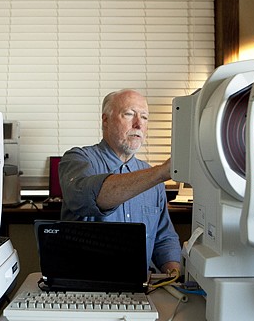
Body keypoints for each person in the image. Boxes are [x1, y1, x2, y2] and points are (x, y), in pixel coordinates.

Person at [58, 89, 181, 274]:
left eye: (145, 117)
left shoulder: (152, 176)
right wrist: (161, 172)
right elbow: (88, 198)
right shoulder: (77, 159)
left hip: (141, 286)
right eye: (129, 114)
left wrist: (174, 275)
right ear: (105, 120)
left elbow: (163, 238)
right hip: (86, 287)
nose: (138, 124)